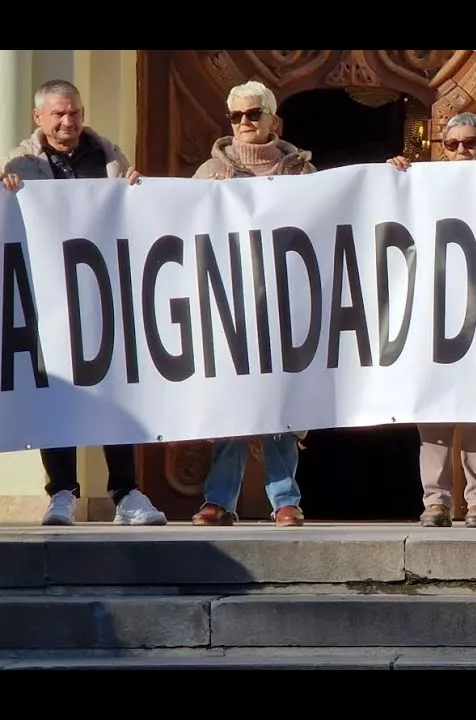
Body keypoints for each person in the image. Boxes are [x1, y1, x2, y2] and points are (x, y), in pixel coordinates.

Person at [2, 79, 165, 527]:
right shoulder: (18, 166)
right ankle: (62, 494)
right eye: (57, 114)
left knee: (115, 393)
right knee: (56, 396)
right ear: (38, 118)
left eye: (74, 112)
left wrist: (136, 189)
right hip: (47, 300)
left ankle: (128, 493)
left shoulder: (110, 160)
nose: (68, 121)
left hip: (104, 296)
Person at [190, 80, 315, 528]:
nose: (243, 123)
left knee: (281, 406)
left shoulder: (300, 171)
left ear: (272, 121)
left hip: (284, 305)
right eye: (236, 116)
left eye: (252, 115)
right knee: (231, 405)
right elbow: (184, 229)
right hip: (229, 306)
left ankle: (285, 500)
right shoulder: (208, 172)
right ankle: (219, 501)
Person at [387, 112, 476, 528]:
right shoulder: (422, 186)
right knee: (432, 415)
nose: (461, 151)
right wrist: (390, 178)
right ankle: (436, 502)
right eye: (451, 145)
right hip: (433, 314)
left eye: (470, 143)